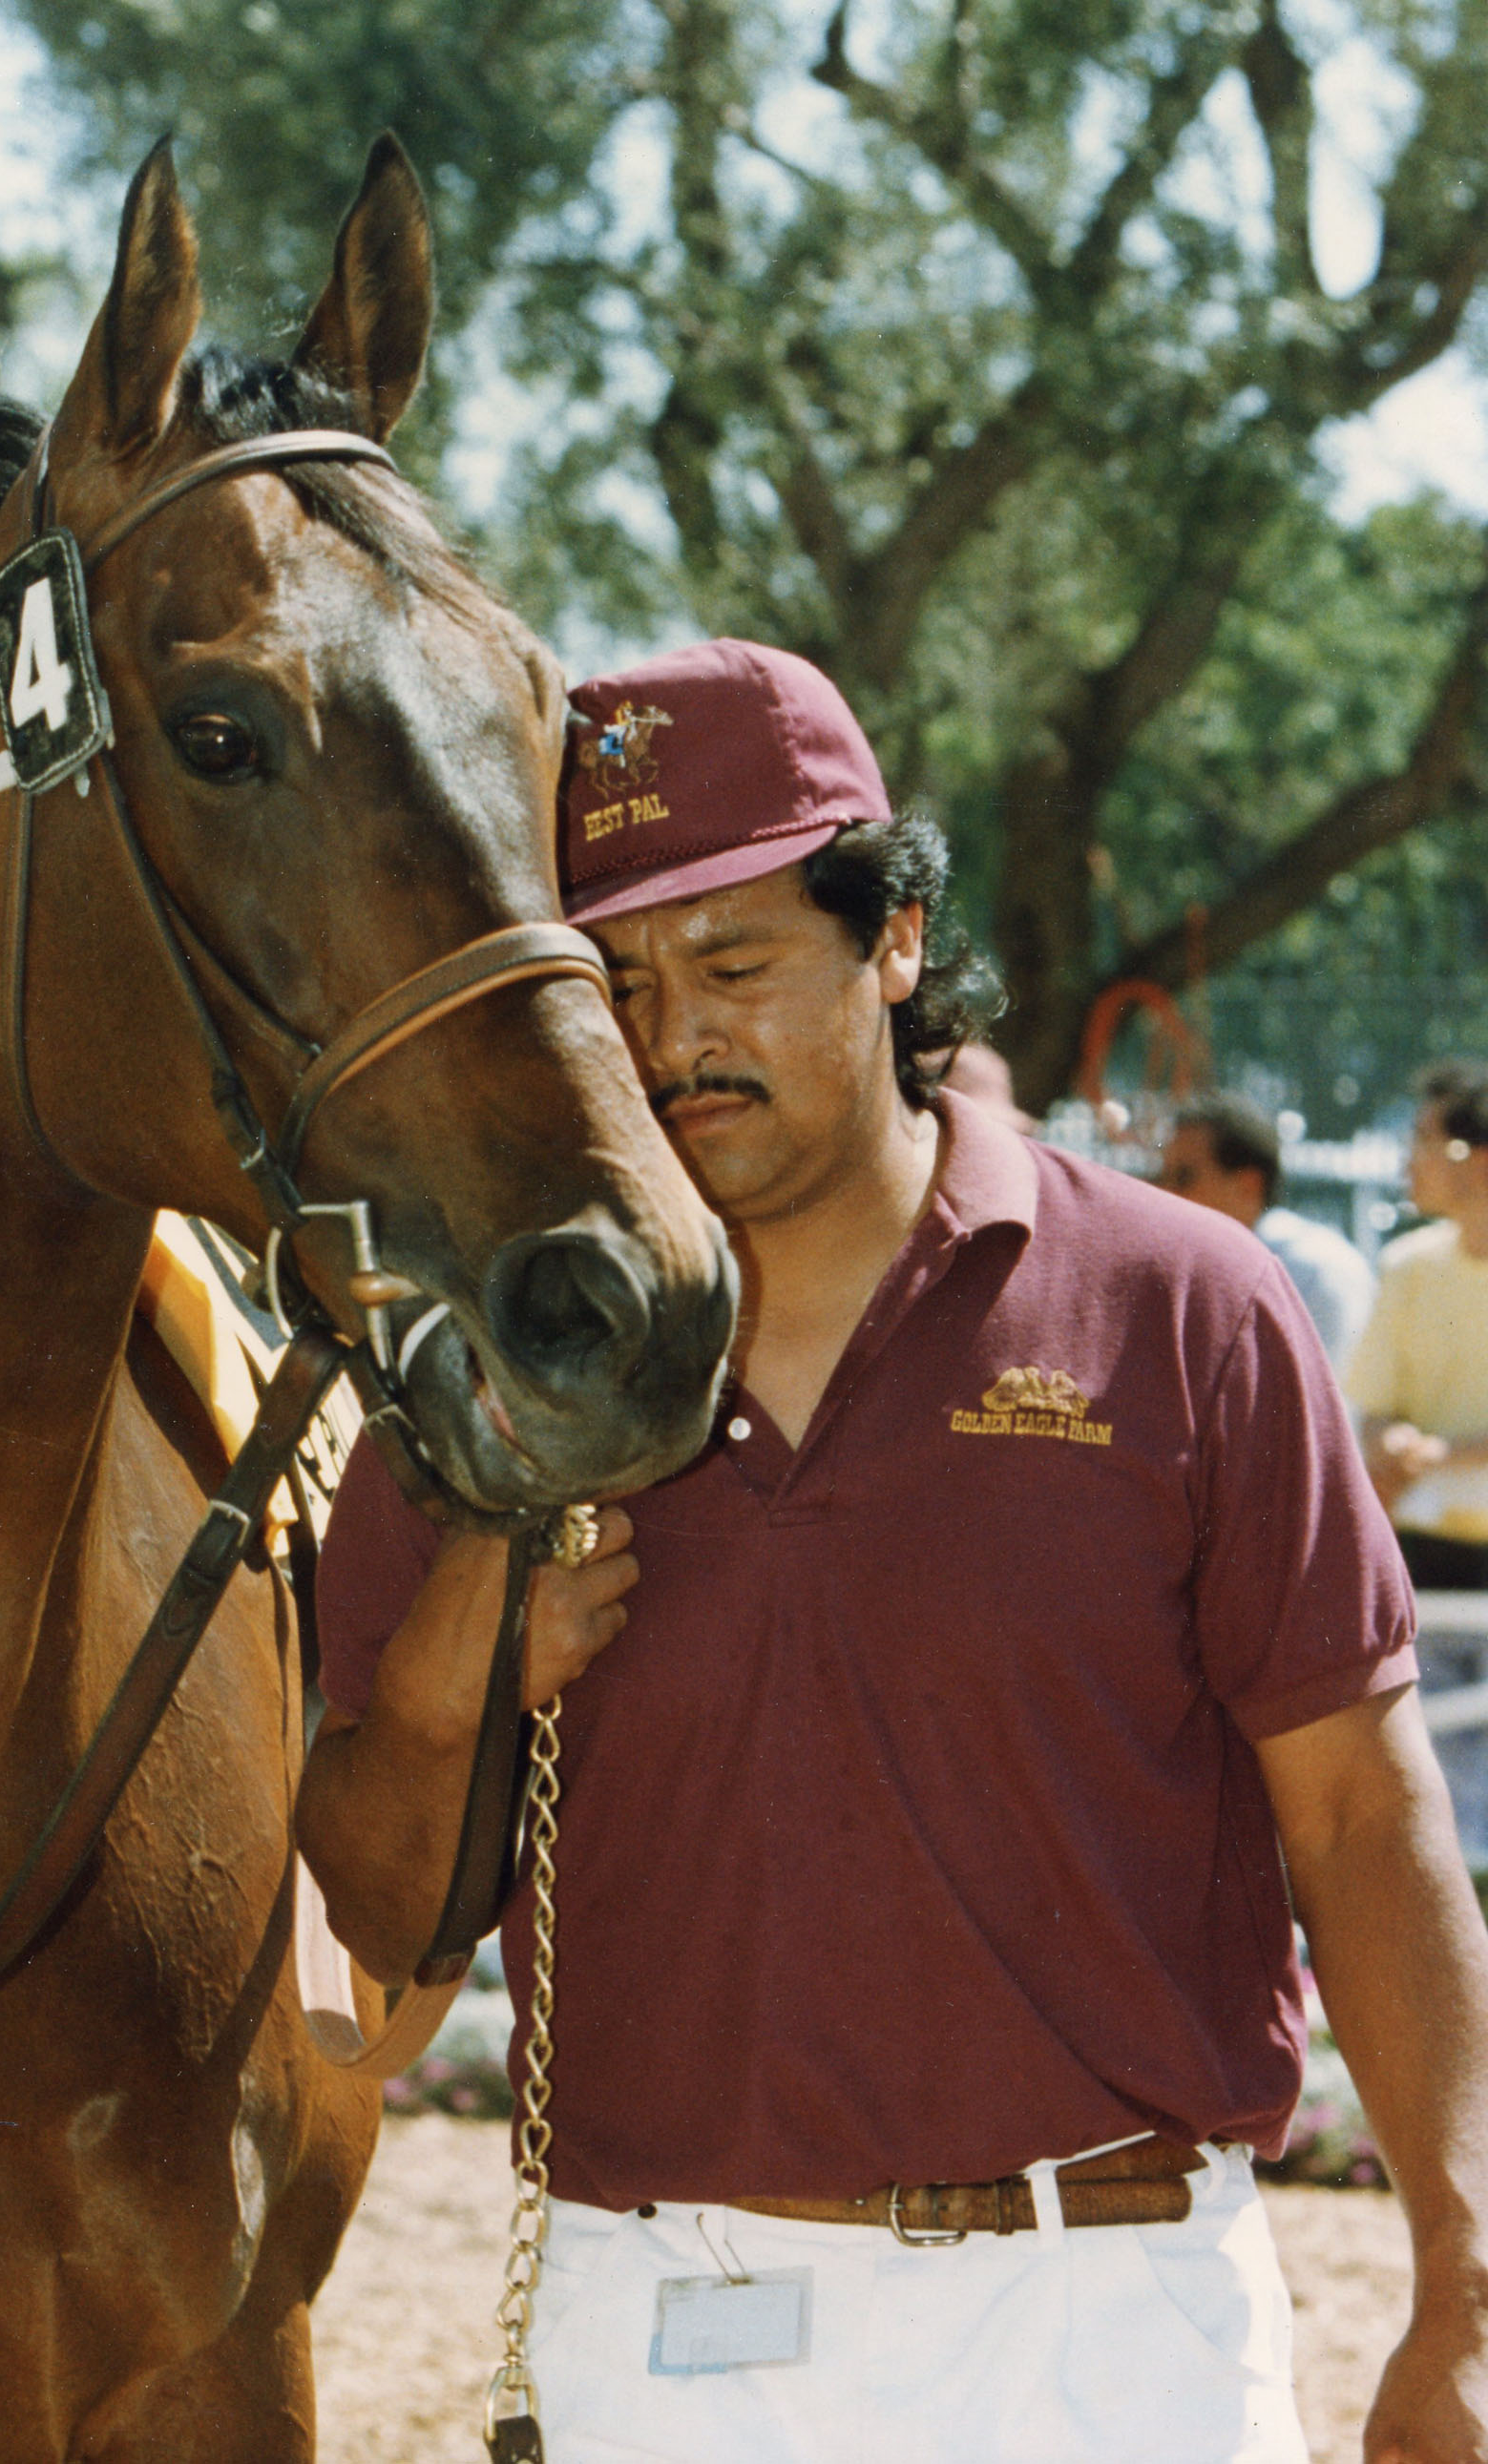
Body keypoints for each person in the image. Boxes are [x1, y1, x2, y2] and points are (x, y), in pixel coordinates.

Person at [299, 637, 1488, 2464]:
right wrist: (469, 1639)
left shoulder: (1186, 1309)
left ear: (898, 938)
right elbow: (374, 1927)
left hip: (1113, 2321)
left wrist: (1465, 2284)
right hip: (654, 2322)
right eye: (612, 977)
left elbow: (1358, 1812)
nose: (672, 1032)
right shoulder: (480, 1372)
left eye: (737, 961)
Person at [1347, 1063, 1488, 1592]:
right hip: (1421, 1552)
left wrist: (1438, 1455)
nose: (1410, 1160)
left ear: (1478, 1160)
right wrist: (1393, 1441)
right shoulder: (1407, 1266)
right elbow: (1374, 1411)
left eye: (1425, 1140)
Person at [1160, 1094, 1376, 1368]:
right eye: (1162, 1178)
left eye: (1183, 1178)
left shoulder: (1315, 1271)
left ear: (1248, 1186)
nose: (1163, 1194)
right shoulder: (1182, 1268)